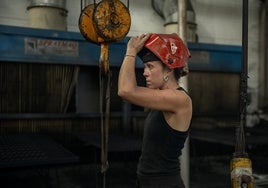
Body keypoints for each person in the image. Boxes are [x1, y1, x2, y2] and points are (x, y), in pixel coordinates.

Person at [118, 33, 192, 188]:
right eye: (145, 67)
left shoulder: (179, 99)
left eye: (150, 67)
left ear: (168, 70)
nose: (145, 72)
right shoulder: (162, 97)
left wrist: (131, 51)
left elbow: (126, 90)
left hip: (164, 183)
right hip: (148, 181)